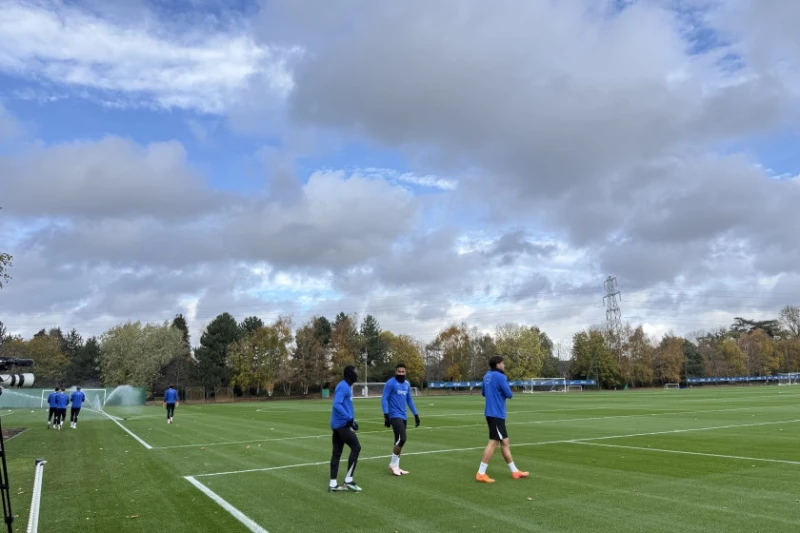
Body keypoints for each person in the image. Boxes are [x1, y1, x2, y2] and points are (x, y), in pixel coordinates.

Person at [476, 356, 529, 483]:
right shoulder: (500, 377)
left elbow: (483, 392)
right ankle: (481, 473)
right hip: (496, 414)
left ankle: (515, 471)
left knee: (505, 442)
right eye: (503, 363)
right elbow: (509, 394)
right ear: (498, 364)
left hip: (490, 413)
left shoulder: (486, 376)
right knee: (493, 442)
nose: (504, 365)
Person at [381, 363, 420, 476]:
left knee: (398, 441)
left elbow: (410, 400)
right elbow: (384, 399)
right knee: (402, 438)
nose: (401, 374)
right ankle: (393, 464)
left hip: (403, 415)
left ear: (405, 372)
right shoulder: (390, 383)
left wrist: (416, 415)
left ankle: (396, 466)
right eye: (399, 372)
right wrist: (386, 415)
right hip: (394, 415)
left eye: (403, 372)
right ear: (395, 372)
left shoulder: (407, 384)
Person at [329, 365, 362, 492]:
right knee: (356, 447)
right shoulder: (343, 386)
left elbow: (343, 405)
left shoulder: (345, 386)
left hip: (338, 425)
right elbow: (337, 404)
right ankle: (348, 481)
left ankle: (333, 484)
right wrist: (348, 418)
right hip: (342, 425)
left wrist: (352, 421)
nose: (356, 375)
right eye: (355, 372)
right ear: (349, 373)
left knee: (336, 453)